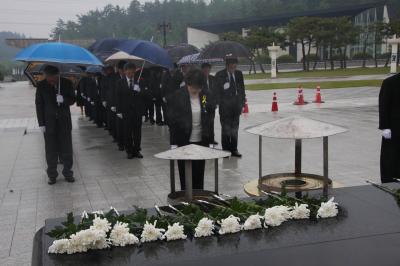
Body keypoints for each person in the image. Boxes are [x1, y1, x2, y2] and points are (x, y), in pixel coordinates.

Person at [167, 68, 216, 190]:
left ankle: (199, 196)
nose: (196, 91)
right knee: (185, 174)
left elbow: (209, 119)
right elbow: (172, 121)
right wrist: (173, 143)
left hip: (201, 140)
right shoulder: (178, 96)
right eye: (193, 88)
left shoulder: (205, 95)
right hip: (184, 141)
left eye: (199, 88)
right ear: (188, 83)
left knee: (199, 173)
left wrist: (210, 140)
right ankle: (186, 198)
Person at [35, 65, 75, 184]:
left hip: (64, 122)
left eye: (51, 77)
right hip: (49, 123)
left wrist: (64, 100)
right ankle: (52, 174)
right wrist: (41, 123)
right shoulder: (41, 85)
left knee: (66, 149)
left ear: (57, 75)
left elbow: (73, 99)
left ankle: (68, 173)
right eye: (47, 77)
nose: (49, 80)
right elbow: (39, 104)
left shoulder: (67, 83)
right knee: (50, 150)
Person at [214, 57, 245, 157]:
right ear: (227, 65)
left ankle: (234, 149)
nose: (234, 67)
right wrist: (221, 99)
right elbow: (216, 91)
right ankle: (226, 150)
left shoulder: (239, 74)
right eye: (232, 65)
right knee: (226, 129)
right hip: (225, 106)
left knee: (235, 129)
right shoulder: (220, 75)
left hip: (236, 105)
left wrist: (242, 103)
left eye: (235, 65)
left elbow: (242, 89)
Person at [116, 63, 145, 159]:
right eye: (128, 71)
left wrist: (140, 90)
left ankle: (137, 150)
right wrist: (118, 111)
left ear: (134, 71)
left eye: (132, 71)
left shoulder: (139, 81)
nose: (130, 73)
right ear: (124, 72)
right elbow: (118, 97)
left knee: (137, 133)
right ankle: (129, 151)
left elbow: (144, 97)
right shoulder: (120, 82)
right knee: (127, 132)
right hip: (126, 111)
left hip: (137, 112)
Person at [379, 72, 400, 183]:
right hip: (394, 127)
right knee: (390, 155)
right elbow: (383, 105)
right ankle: (388, 179)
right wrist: (385, 127)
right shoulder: (390, 82)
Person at [201, 63, 218, 146]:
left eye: (207, 69)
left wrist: (216, 102)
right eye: (204, 69)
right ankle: (206, 139)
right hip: (204, 103)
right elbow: (202, 93)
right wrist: (204, 104)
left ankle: (212, 138)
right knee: (205, 123)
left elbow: (216, 90)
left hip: (212, 103)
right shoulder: (199, 79)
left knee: (211, 122)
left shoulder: (213, 78)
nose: (206, 71)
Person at [115, 61, 127, 151]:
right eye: (122, 70)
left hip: (128, 106)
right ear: (119, 70)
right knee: (120, 126)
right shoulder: (114, 78)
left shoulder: (130, 77)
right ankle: (120, 143)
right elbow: (112, 92)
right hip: (118, 105)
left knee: (128, 127)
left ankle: (128, 143)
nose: (124, 72)